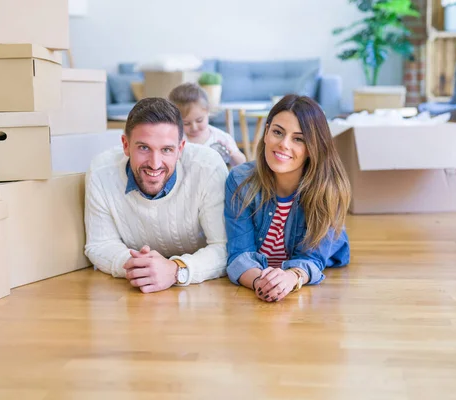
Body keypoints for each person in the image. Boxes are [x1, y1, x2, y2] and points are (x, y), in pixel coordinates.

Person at [84, 97, 229, 293]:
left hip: (202, 292)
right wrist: (142, 269)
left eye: (166, 150)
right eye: (144, 148)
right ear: (126, 145)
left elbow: (223, 247)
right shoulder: (101, 171)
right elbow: (100, 244)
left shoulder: (207, 167)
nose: (155, 163)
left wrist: (175, 270)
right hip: (132, 291)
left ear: (180, 149)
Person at [224, 94, 351, 302]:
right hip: (264, 277)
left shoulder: (329, 189)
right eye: (277, 132)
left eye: (298, 139)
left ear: (312, 148)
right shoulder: (239, 181)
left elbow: (311, 259)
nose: (284, 144)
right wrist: (261, 283)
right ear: (266, 133)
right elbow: (239, 254)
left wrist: (291, 278)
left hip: (319, 258)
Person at [168, 83, 246, 166]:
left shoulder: (221, 137)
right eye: (186, 123)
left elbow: (241, 164)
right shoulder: (175, 139)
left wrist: (232, 154)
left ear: (208, 111)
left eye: (199, 120)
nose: (194, 127)